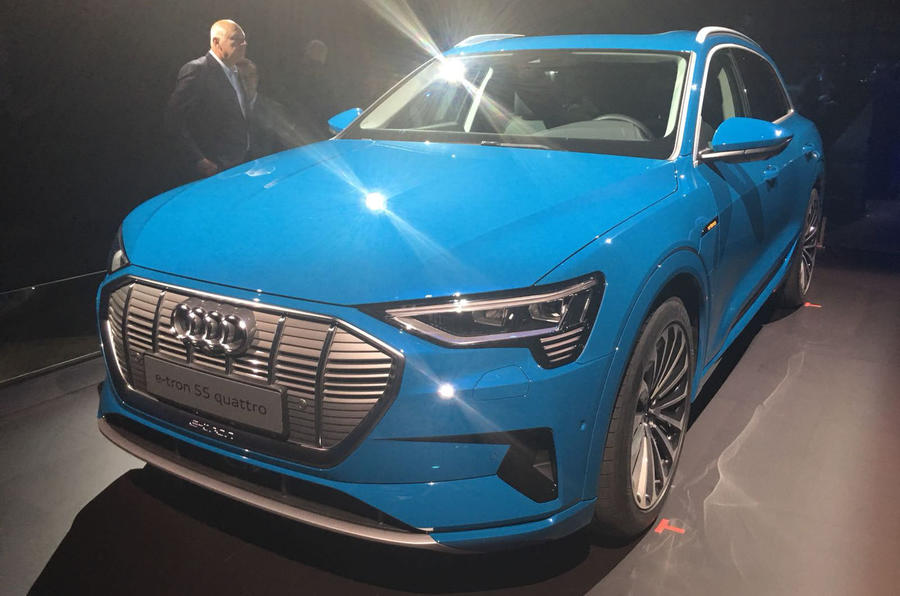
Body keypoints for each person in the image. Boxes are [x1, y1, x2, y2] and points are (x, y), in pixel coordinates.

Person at [165, 19, 254, 180]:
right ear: (216, 42)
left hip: (240, 163)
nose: (244, 44)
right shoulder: (198, 70)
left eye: (244, 39)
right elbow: (174, 120)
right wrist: (199, 159)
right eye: (236, 39)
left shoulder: (237, 72)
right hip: (214, 168)